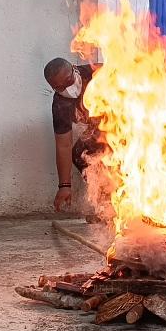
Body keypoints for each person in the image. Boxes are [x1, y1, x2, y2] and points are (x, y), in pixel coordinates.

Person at [43, 57, 105, 214]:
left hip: (128, 125)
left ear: (73, 68)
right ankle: (108, 206)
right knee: (79, 154)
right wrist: (64, 186)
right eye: (59, 87)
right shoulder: (60, 104)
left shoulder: (98, 73)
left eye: (69, 81)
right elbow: (63, 145)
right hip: (99, 131)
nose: (67, 89)